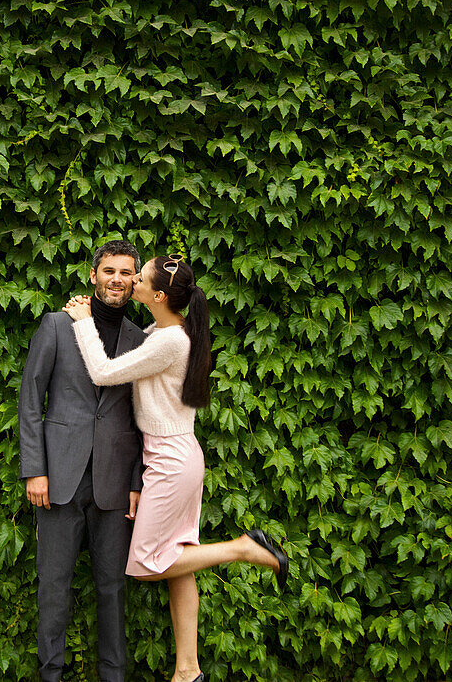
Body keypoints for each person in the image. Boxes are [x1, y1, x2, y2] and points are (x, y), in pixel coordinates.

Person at [63, 254, 289, 682]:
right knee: (179, 560)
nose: (132, 284)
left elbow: (104, 371)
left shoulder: (170, 341)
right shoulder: (167, 330)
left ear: (159, 295)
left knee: (148, 564)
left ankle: (243, 548)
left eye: (140, 279)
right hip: (175, 454)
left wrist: (81, 321)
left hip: (170, 459)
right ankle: (188, 670)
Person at [18, 240, 147, 682]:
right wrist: (35, 469)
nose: (117, 279)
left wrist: (135, 479)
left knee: (112, 589)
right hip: (58, 480)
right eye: (109, 270)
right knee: (54, 589)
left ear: (135, 281)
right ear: (93, 275)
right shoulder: (57, 325)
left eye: (126, 272)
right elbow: (30, 400)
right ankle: (49, 674)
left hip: (113, 485)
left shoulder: (139, 339)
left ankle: (113, 676)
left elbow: (141, 416)